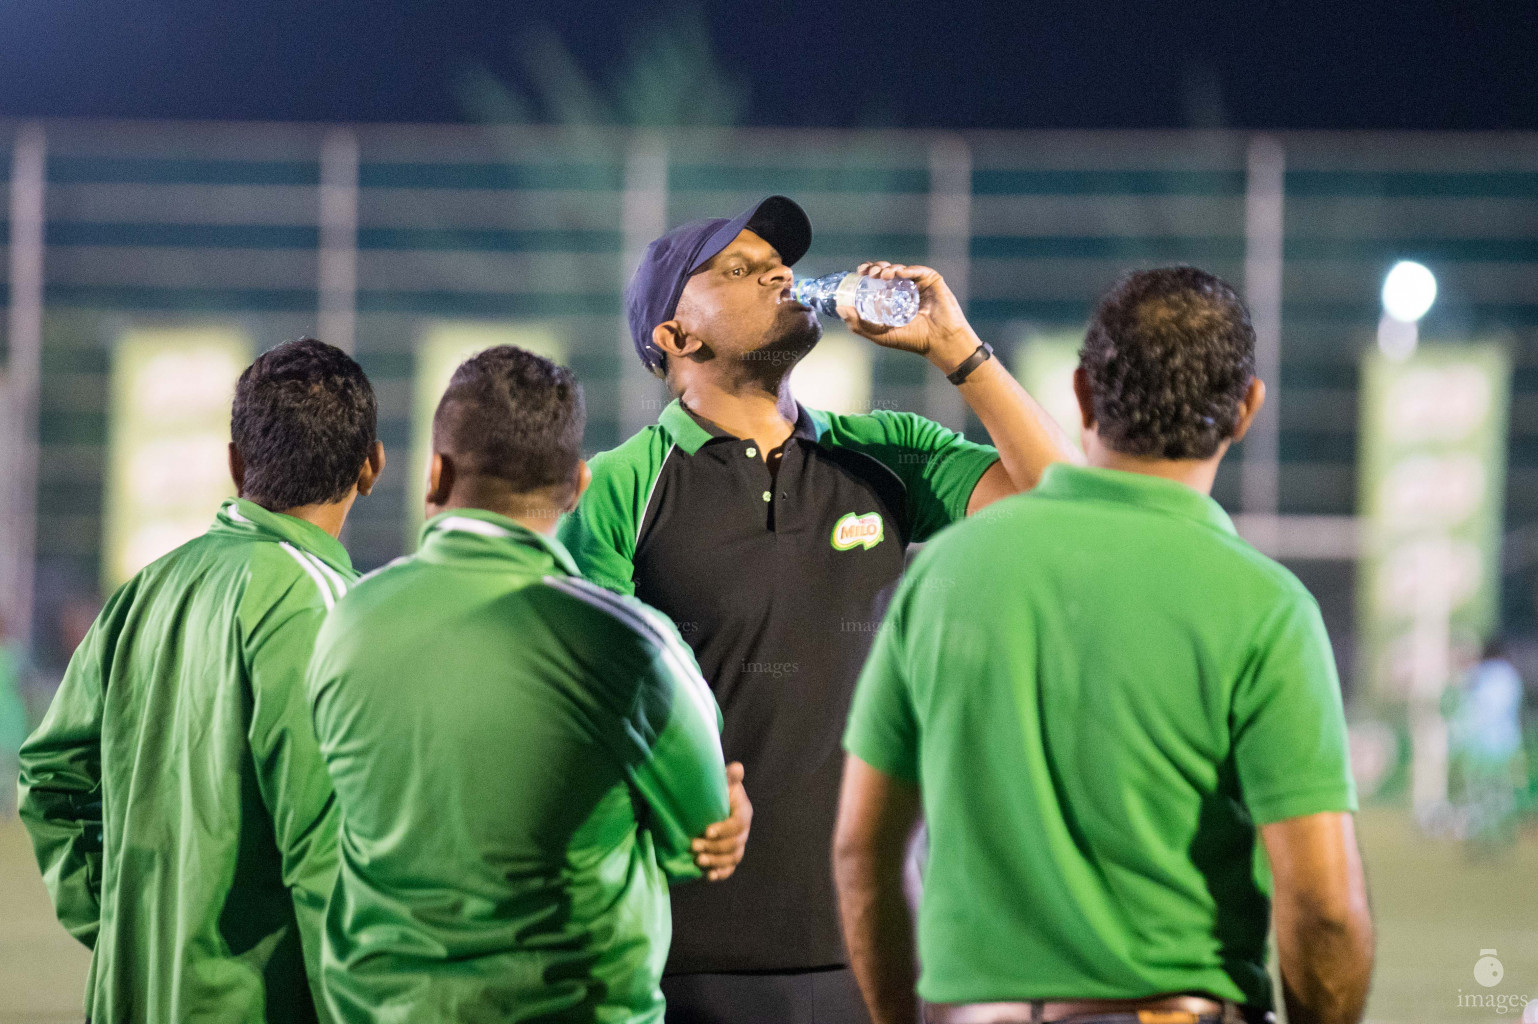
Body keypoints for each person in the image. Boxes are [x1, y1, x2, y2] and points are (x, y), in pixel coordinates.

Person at [559, 194, 1075, 1023]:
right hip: (692, 959)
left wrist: (958, 351)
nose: (777, 274)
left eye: (778, 264)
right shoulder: (622, 485)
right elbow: (593, 708)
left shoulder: (884, 453)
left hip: (879, 949)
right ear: (675, 337)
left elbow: (1068, 508)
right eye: (737, 268)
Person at [835, 267, 1375, 1024]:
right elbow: (1324, 910)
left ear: (1084, 394)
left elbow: (863, 853)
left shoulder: (946, 574)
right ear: (1247, 409)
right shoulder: (1265, 607)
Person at [307, 346, 752, 1024]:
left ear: (435, 473)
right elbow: (703, 840)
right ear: (577, 486)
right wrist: (722, 813)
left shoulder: (345, 619)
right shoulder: (633, 644)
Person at [18, 337, 383, 1024]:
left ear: (236, 463)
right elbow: (334, 850)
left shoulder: (144, 592)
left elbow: (49, 778)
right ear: (371, 467)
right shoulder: (328, 607)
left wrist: (129, 930)